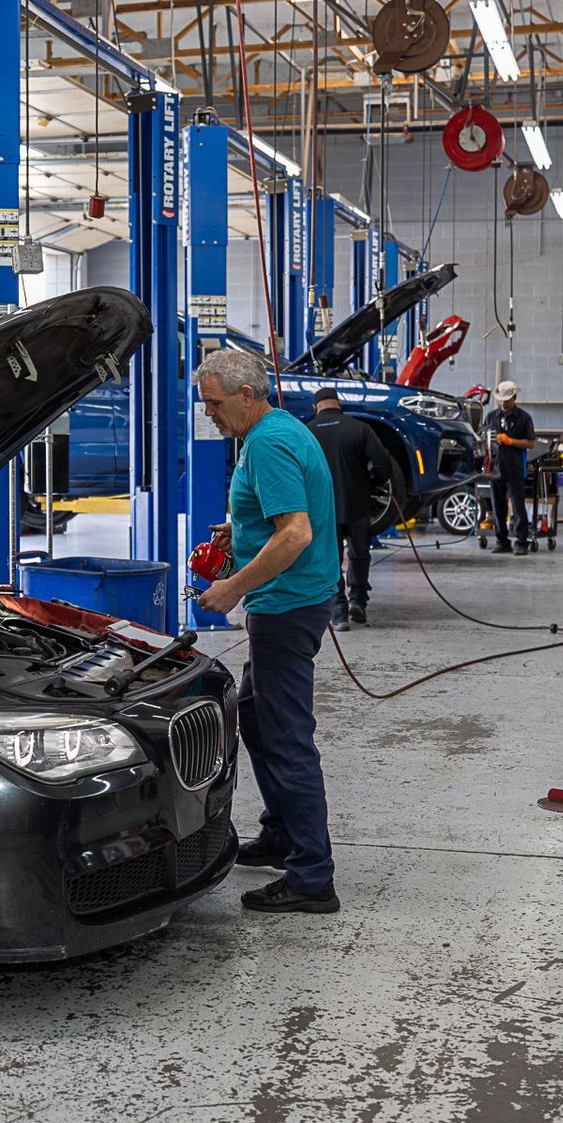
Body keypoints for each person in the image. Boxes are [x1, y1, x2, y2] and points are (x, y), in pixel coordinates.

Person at [192, 348, 342, 915]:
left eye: (215, 403)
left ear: (248, 396)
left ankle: (311, 877)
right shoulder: (278, 431)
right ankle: (281, 834)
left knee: (286, 738)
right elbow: (278, 518)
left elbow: (295, 534)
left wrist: (231, 588)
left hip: (286, 606)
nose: (209, 413)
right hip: (294, 599)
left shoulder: (269, 444)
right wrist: (240, 530)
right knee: (254, 715)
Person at [307, 385, 396, 631]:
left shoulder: (307, 432)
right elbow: (383, 465)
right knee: (359, 554)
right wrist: (372, 483)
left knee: (330, 559)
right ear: (340, 405)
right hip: (357, 503)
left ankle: (338, 610)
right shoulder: (360, 428)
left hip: (323, 509)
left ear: (315, 408)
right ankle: (358, 603)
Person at [487, 381, 537, 557]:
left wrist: (511, 441)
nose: (503, 403)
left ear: (515, 398)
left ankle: (521, 542)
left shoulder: (524, 418)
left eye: (507, 400)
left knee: (517, 506)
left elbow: (531, 443)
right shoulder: (491, 417)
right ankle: (502, 542)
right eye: (501, 400)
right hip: (495, 469)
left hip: (515, 469)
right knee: (497, 507)